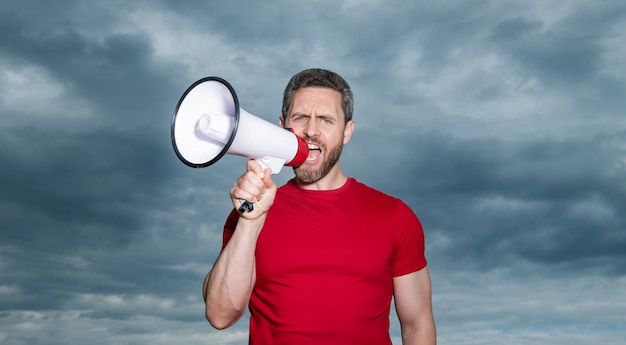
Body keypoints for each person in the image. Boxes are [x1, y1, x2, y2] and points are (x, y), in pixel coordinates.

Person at [203, 68, 436, 345]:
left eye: (326, 120)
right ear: (282, 125)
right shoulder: (247, 211)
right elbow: (220, 316)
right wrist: (250, 222)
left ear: (347, 131)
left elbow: (417, 325)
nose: (311, 131)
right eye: (301, 117)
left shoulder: (395, 216)